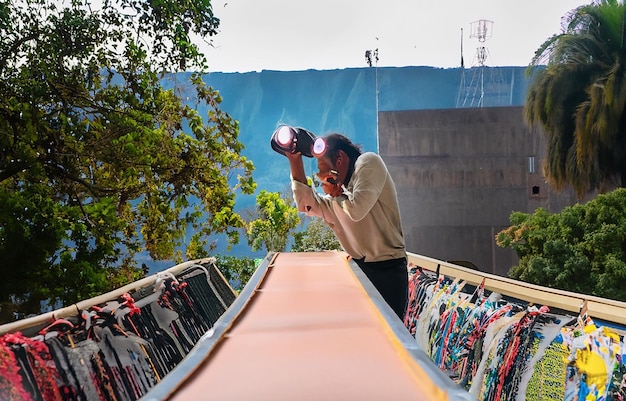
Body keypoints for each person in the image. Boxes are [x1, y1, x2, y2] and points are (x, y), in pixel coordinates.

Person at [283, 131, 408, 320]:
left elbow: (357, 209)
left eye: (324, 169)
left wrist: (336, 193)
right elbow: (306, 205)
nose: (322, 177)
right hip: (359, 271)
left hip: (388, 272)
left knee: (388, 340)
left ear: (340, 158)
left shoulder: (368, 162)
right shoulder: (339, 199)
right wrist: (294, 159)